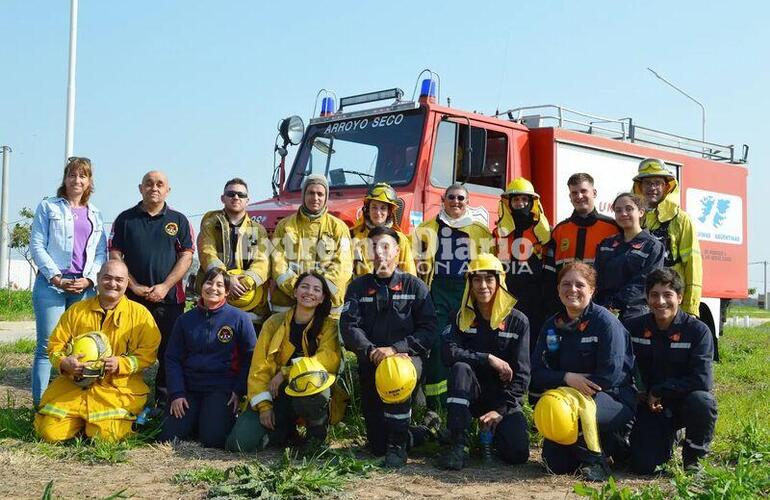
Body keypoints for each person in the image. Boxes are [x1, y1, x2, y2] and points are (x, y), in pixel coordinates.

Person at [341, 226, 437, 467]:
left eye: (385, 246)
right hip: (371, 361)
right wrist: (371, 351)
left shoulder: (415, 287)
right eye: (373, 246)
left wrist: (395, 350)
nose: (379, 252)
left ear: (397, 251)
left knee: (395, 372)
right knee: (376, 446)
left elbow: (428, 330)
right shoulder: (357, 287)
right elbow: (349, 327)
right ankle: (422, 432)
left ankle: (398, 448)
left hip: (406, 361)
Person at [34, 260, 161, 442]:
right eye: (107, 278)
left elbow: (149, 353)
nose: (113, 284)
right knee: (50, 433)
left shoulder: (140, 315)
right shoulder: (76, 311)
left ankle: (105, 424)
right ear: (98, 279)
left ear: (127, 283)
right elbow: (55, 345)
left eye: (119, 279)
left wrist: (121, 364)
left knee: (105, 437)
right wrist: (64, 363)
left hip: (117, 389)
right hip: (74, 386)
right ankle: (82, 422)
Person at [530, 262, 636, 481]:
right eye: (566, 284)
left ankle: (597, 460)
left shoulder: (606, 323)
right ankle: (608, 446)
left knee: (576, 414)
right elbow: (537, 372)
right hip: (567, 398)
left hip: (613, 398)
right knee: (555, 464)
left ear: (592, 290)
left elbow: (610, 376)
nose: (573, 290)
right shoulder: (552, 325)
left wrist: (574, 389)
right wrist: (567, 378)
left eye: (580, 285)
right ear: (558, 289)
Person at [225, 271, 341, 452]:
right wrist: (264, 407)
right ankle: (285, 431)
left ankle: (315, 439)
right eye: (304, 286)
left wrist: (285, 372)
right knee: (239, 444)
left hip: (307, 392)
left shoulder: (328, 326)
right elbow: (259, 367)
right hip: (276, 394)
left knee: (316, 387)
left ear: (321, 298)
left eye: (316, 289)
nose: (309, 292)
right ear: (295, 293)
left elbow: (327, 361)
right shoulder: (273, 323)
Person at [109, 171, 194, 405]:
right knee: (127, 350)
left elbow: (186, 257)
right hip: (132, 300)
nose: (154, 188)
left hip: (170, 301)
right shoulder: (125, 220)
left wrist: (166, 286)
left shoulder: (179, 220)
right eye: (149, 184)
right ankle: (125, 400)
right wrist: (133, 286)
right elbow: (115, 255)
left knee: (169, 354)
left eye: (159, 184)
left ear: (168, 190)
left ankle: (164, 403)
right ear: (140, 188)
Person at [29, 157, 108, 406]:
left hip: (82, 287)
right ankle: (40, 405)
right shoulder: (48, 207)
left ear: (89, 182)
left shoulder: (95, 213)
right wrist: (56, 277)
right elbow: (37, 244)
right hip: (52, 285)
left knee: (81, 348)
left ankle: (73, 404)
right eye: (72, 175)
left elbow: (100, 252)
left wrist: (88, 279)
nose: (77, 180)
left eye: (83, 176)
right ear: (65, 179)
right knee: (48, 346)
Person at [440, 254, 530, 470]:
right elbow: (449, 354)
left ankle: (491, 433)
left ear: (500, 281)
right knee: (461, 368)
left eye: (489, 279)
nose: (482, 286)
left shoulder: (518, 321)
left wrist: (501, 410)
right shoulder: (459, 317)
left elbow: (523, 373)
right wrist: (487, 358)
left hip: (503, 399)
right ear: (469, 283)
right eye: (476, 279)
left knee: (517, 454)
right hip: (470, 397)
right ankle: (458, 443)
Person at [624, 268, 717, 473]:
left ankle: (694, 460)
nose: (661, 301)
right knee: (644, 466)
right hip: (650, 406)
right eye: (654, 295)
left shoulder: (698, 331)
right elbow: (623, 367)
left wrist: (660, 390)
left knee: (703, 401)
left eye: (668, 295)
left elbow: (702, 380)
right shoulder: (633, 328)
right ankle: (664, 439)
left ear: (680, 297)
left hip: (683, 402)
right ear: (647, 298)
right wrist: (636, 390)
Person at [158, 268, 256, 449]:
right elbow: (172, 358)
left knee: (213, 440)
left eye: (220, 285)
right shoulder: (185, 320)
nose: (213, 288)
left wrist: (238, 390)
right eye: (209, 283)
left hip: (221, 388)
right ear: (201, 286)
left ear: (227, 291)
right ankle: (196, 417)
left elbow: (250, 357)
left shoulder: (239, 318)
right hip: (189, 388)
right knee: (168, 437)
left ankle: (208, 418)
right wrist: (177, 393)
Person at [413, 183, 492, 408]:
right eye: (452, 197)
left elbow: (490, 268)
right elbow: (414, 262)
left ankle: (468, 399)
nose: (456, 202)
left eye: (460, 198)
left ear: (467, 202)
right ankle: (436, 405)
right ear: (443, 200)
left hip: (468, 291)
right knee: (437, 343)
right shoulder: (426, 230)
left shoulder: (480, 232)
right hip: (437, 290)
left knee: (468, 342)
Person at [271, 174, 352, 315]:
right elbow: (278, 264)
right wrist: (298, 291)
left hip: (327, 306)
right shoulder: (284, 226)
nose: (315, 198)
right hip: (287, 304)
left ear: (326, 197)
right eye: (311, 193)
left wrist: (318, 293)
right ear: (303, 195)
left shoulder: (339, 228)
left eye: (320, 194)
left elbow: (343, 267)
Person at [632, 158, 702, 317]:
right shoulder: (634, 219)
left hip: (670, 302)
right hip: (639, 304)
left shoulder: (682, 220)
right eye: (647, 183)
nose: (652, 188)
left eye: (657, 183)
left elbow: (693, 264)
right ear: (639, 187)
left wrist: (690, 308)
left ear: (666, 187)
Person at [197, 178, 270, 326]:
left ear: (247, 200)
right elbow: (207, 253)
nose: (236, 197)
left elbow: (262, 261)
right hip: (216, 294)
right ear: (223, 198)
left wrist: (247, 282)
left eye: (241, 195)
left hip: (248, 299)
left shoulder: (257, 230)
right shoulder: (211, 224)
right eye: (231, 194)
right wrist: (226, 281)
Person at [544, 173, 619, 311]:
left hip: (600, 305)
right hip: (565, 305)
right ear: (570, 197)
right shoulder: (560, 230)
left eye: (583, 191)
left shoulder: (613, 228)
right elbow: (550, 275)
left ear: (594, 193)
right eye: (574, 193)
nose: (579, 196)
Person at [494, 177, 551, 352]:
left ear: (532, 202)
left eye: (524, 199)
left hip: (535, 297)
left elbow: (547, 266)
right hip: (508, 296)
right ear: (508, 203)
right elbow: (500, 263)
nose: (520, 203)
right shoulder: (499, 233)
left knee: (533, 341)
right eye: (516, 199)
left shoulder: (542, 232)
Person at [594, 193, 665, 321]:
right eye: (618, 210)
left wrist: (614, 304)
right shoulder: (606, 244)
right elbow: (596, 277)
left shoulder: (653, 246)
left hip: (635, 314)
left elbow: (644, 283)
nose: (623, 213)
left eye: (629, 209)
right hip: (603, 311)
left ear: (641, 212)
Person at [351, 182, 416, 277]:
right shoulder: (356, 240)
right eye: (374, 207)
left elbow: (410, 275)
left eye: (383, 208)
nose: (378, 212)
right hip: (364, 290)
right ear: (367, 210)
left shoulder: (400, 240)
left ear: (389, 212)